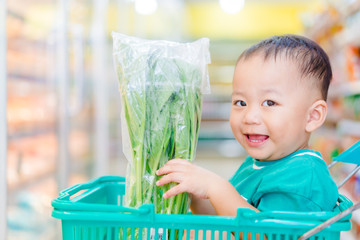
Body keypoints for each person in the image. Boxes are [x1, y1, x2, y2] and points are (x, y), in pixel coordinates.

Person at [156, 34, 339, 217]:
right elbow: (224, 217)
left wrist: (216, 187)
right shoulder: (257, 164)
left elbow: (269, 235)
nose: (250, 117)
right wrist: (195, 193)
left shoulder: (302, 177)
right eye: (241, 102)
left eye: (269, 103)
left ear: (312, 117)